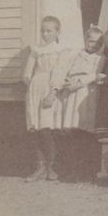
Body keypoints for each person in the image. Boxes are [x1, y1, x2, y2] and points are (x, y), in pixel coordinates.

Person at [22, 16, 69, 182]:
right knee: (34, 129)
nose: (45, 34)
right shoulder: (36, 50)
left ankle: (51, 167)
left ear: (57, 32)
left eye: (49, 30)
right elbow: (27, 72)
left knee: (46, 129)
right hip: (35, 87)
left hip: (50, 88)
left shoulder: (61, 50)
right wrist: (29, 81)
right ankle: (39, 167)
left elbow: (60, 71)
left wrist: (52, 92)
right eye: (43, 30)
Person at [59, 26, 106, 182]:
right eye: (91, 41)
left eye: (97, 43)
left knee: (85, 131)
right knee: (72, 131)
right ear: (86, 39)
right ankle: (71, 170)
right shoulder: (76, 55)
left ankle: (86, 171)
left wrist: (79, 83)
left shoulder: (100, 58)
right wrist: (66, 82)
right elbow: (66, 70)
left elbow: (95, 75)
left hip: (86, 93)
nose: (93, 45)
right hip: (71, 94)